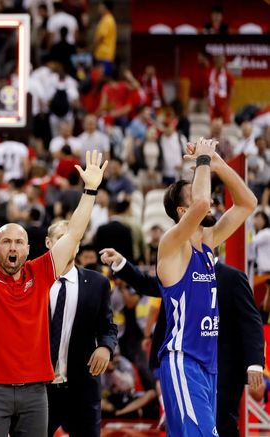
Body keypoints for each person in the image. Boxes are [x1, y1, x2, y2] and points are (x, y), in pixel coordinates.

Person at [0, 147, 107, 436]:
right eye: (6, 241)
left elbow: (73, 234)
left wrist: (90, 190)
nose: (12, 247)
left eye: (18, 242)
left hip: (36, 391)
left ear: (28, 248)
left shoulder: (42, 272)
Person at [100, 245, 265, 437]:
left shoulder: (233, 278)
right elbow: (148, 285)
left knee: (222, 424)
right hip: (186, 367)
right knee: (183, 426)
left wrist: (254, 363)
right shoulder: (180, 275)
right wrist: (121, 263)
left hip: (223, 369)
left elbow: (251, 322)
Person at [154, 137, 257, 435]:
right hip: (182, 359)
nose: (210, 200)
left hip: (207, 364)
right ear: (182, 212)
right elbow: (202, 202)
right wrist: (202, 160)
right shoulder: (172, 244)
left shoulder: (208, 243)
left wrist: (217, 162)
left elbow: (248, 203)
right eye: (199, 197)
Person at [43, 220, 118, 437]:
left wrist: (105, 346)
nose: (68, 244)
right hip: (40, 389)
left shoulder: (98, 283)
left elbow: (108, 326)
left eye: (73, 239)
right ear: (49, 243)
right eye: (61, 239)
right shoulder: (33, 280)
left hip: (83, 387)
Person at [93, 1, 116, 75]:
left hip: (104, 55)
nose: (99, 8)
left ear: (105, 8)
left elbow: (100, 37)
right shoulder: (108, 19)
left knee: (101, 78)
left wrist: (93, 46)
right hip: (104, 54)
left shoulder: (107, 20)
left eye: (101, 7)